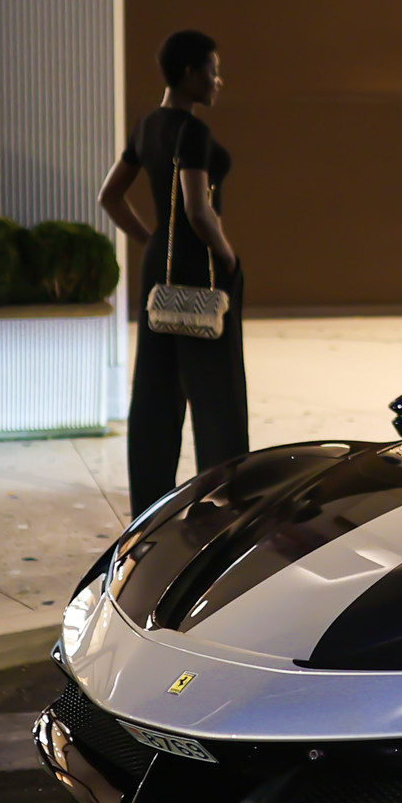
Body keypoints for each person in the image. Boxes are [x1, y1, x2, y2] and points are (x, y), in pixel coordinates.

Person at [98, 29, 249, 509]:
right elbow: (197, 209)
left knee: (156, 391)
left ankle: (149, 504)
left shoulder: (145, 127)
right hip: (201, 269)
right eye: (212, 69)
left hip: (157, 273)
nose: (218, 80)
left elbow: (110, 197)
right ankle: (228, 497)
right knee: (217, 393)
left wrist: (151, 242)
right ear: (189, 73)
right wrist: (227, 256)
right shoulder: (193, 130)